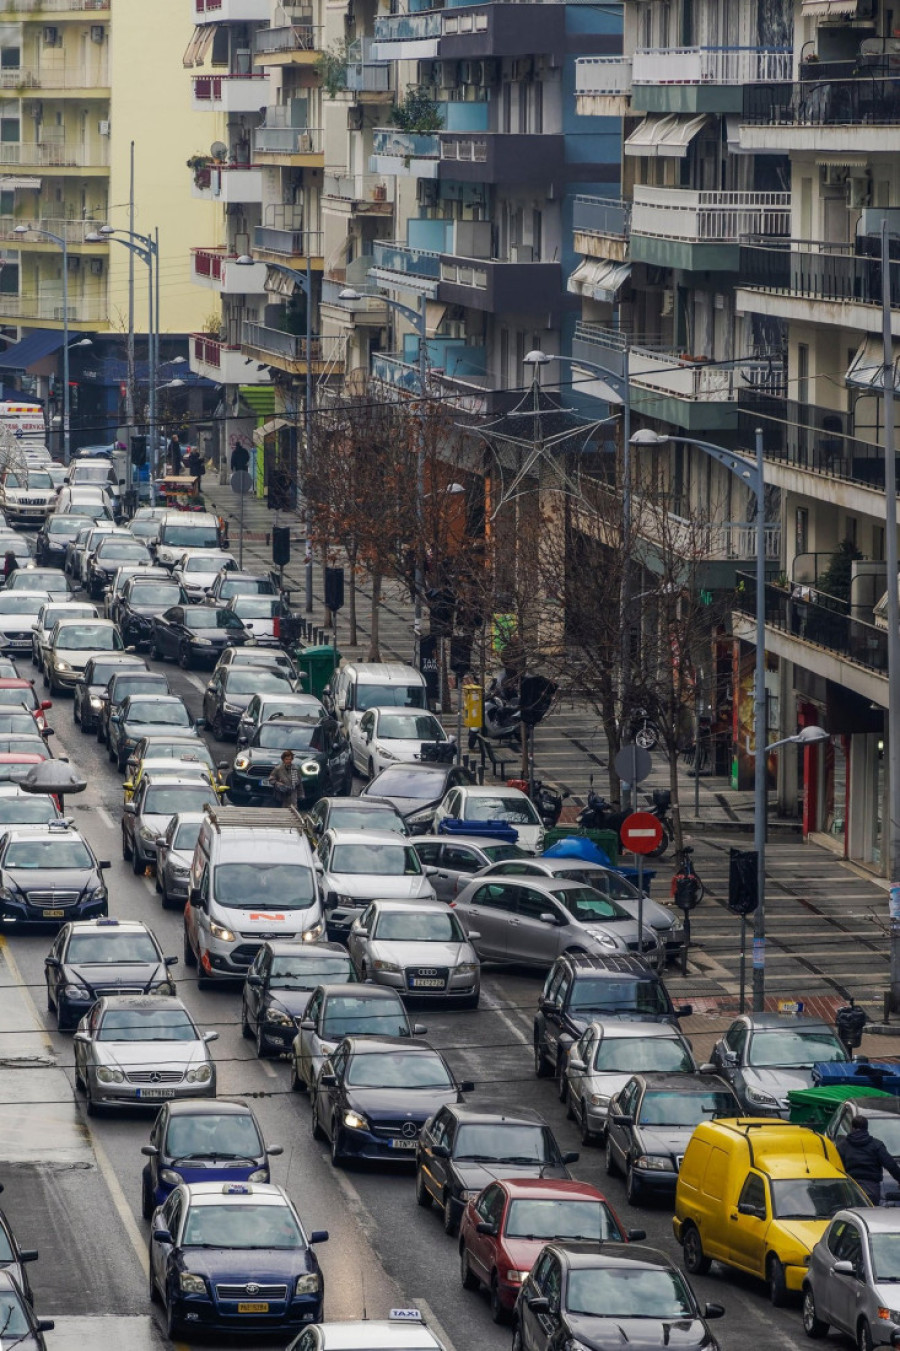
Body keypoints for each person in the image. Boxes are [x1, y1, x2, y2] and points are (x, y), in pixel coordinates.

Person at [837, 1115, 900, 1203]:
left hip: (850, 1188)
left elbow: (837, 1168)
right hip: (872, 1189)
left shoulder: (842, 1146)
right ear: (866, 1128)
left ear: (852, 1127)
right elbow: (891, 1165)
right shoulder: (876, 1145)